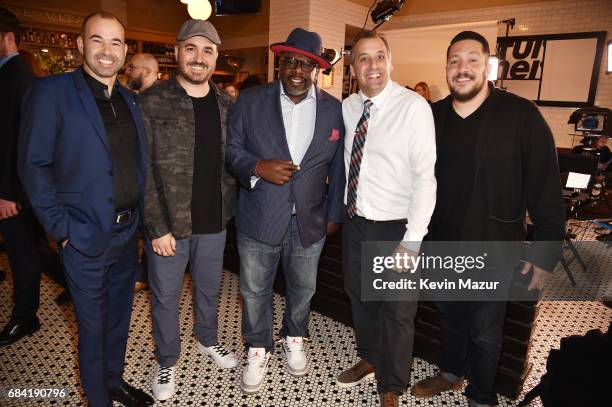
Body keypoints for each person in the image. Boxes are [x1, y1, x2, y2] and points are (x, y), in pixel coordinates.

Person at [411, 31, 565, 407]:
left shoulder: (520, 115)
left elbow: (545, 187)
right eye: (454, 61)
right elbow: (414, 180)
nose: (462, 69)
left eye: (472, 60)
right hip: (442, 244)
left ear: (488, 65)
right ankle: (451, 373)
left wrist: (545, 253)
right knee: (450, 317)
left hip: (494, 248)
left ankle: (481, 397)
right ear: (446, 68)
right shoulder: (432, 117)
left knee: (485, 333)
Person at [18, 11, 153, 407]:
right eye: (97, 40)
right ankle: (97, 399)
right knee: (92, 328)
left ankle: (113, 382)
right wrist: (61, 229)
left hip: (128, 235)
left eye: (115, 43)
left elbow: (136, 166)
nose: (106, 51)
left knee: (118, 322)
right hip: (82, 236)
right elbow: (34, 165)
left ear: (125, 51)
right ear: (81, 44)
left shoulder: (130, 100)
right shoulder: (52, 93)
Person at [226, 27, 345, 394]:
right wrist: (258, 167)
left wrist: (334, 214)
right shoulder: (249, 102)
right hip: (259, 216)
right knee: (255, 290)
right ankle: (258, 347)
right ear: (280, 63)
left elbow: (339, 168)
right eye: (290, 61)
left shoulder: (333, 110)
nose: (297, 70)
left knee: (303, 288)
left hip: (309, 221)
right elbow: (230, 151)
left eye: (306, 64)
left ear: (316, 69)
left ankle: (295, 336)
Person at [335, 30, 437, 407]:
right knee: (360, 296)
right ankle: (371, 358)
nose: (372, 65)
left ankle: (391, 385)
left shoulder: (413, 107)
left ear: (391, 62)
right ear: (353, 66)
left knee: (397, 310)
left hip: (397, 227)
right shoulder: (347, 108)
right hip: (357, 223)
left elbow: (426, 178)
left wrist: (412, 240)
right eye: (363, 58)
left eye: (379, 56)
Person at [139, 19, 238, 401]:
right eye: (192, 49)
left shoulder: (227, 104)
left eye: (207, 51)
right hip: (169, 226)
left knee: (210, 290)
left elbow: (235, 160)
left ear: (215, 57)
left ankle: (207, 340)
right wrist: (156, 225)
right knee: (164, 297)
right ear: (178, 51)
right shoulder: (152, 101)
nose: (199, 58)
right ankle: (166, 359)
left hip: (214, 221)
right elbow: (142, 169)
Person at [0, 6, 67, 347]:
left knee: (22, 253)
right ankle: (70, 283)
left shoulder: (17, 77)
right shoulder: (15, 75)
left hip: (17, 189)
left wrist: (9, 193)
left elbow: (19, 142)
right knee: (35, 248)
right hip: (19, 187)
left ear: (7, 38)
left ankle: (25, 316)